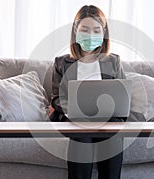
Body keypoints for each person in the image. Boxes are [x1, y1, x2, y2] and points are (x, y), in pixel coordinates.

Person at [49, 5, 126, 179]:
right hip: (76, 119)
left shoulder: (114, 61)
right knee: (81, 136)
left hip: (107, 119)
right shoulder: (61, 63)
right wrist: (74, 109)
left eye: (96, 30)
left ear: (103, 33)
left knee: (112, 134)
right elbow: (56, 98)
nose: (90, 35)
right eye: (85, 29)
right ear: (75, 31)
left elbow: (122, 94)